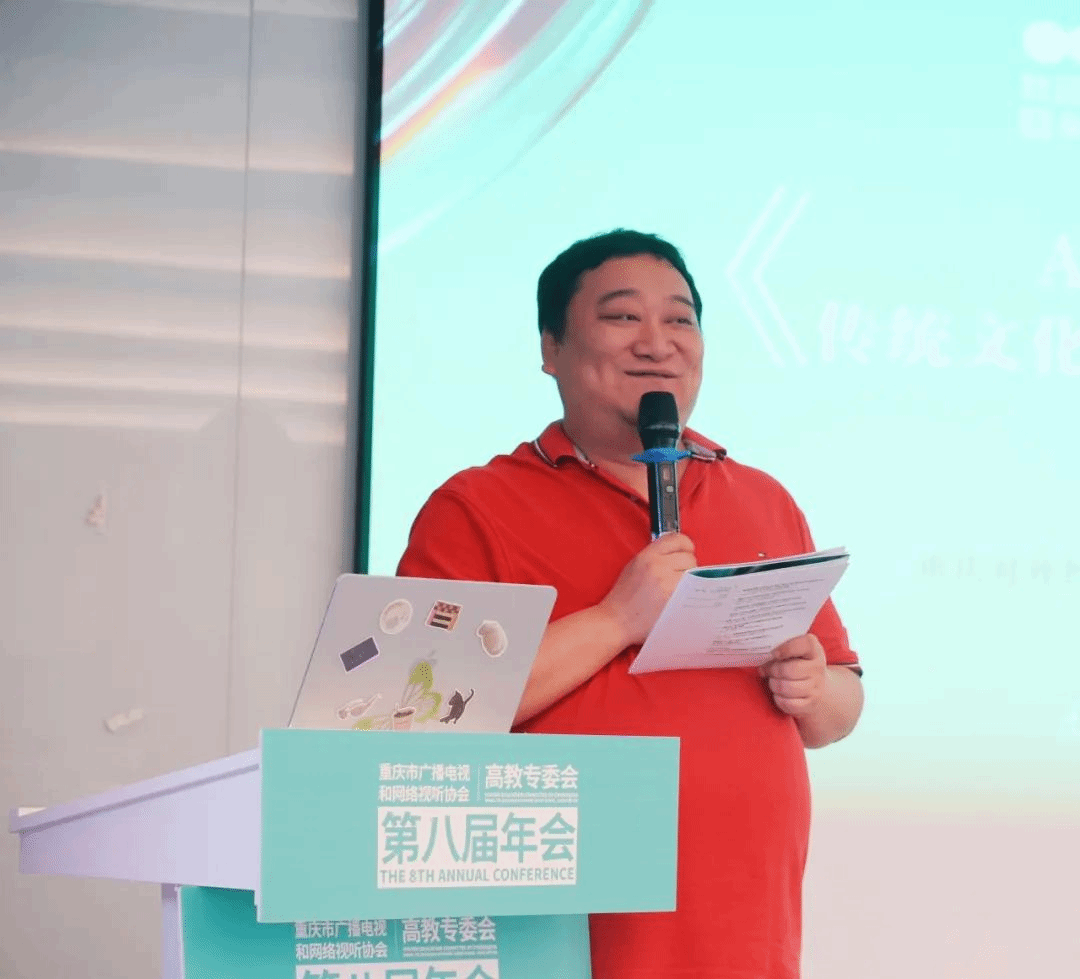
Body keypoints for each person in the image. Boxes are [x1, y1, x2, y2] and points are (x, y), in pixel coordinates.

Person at [397, 229, 864, 979]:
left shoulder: (762, 498)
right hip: (559, 943)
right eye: (622, 317)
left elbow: (840, 707)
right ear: (551, 348)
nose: (657, 342)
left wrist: (814, 687)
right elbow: (418, 712)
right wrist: (617, 618)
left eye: (680, 319)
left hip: (744, 936)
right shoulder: (476, 507)